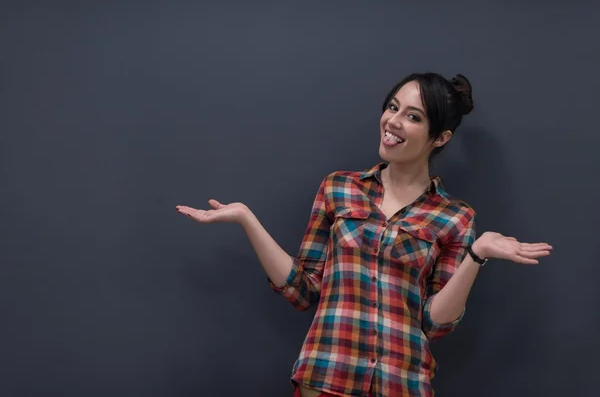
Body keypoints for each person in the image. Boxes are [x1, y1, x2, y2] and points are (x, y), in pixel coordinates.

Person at [175, 72, 552, 397]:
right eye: (392, 107)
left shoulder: (455, 216)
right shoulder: (338, 189)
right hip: (327, 377)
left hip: (401, 383)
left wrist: (477, 254)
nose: (393, 121)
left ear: (440, 137)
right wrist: (246, 219)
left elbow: (435, 323)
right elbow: (304, 290)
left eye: (413, 116)